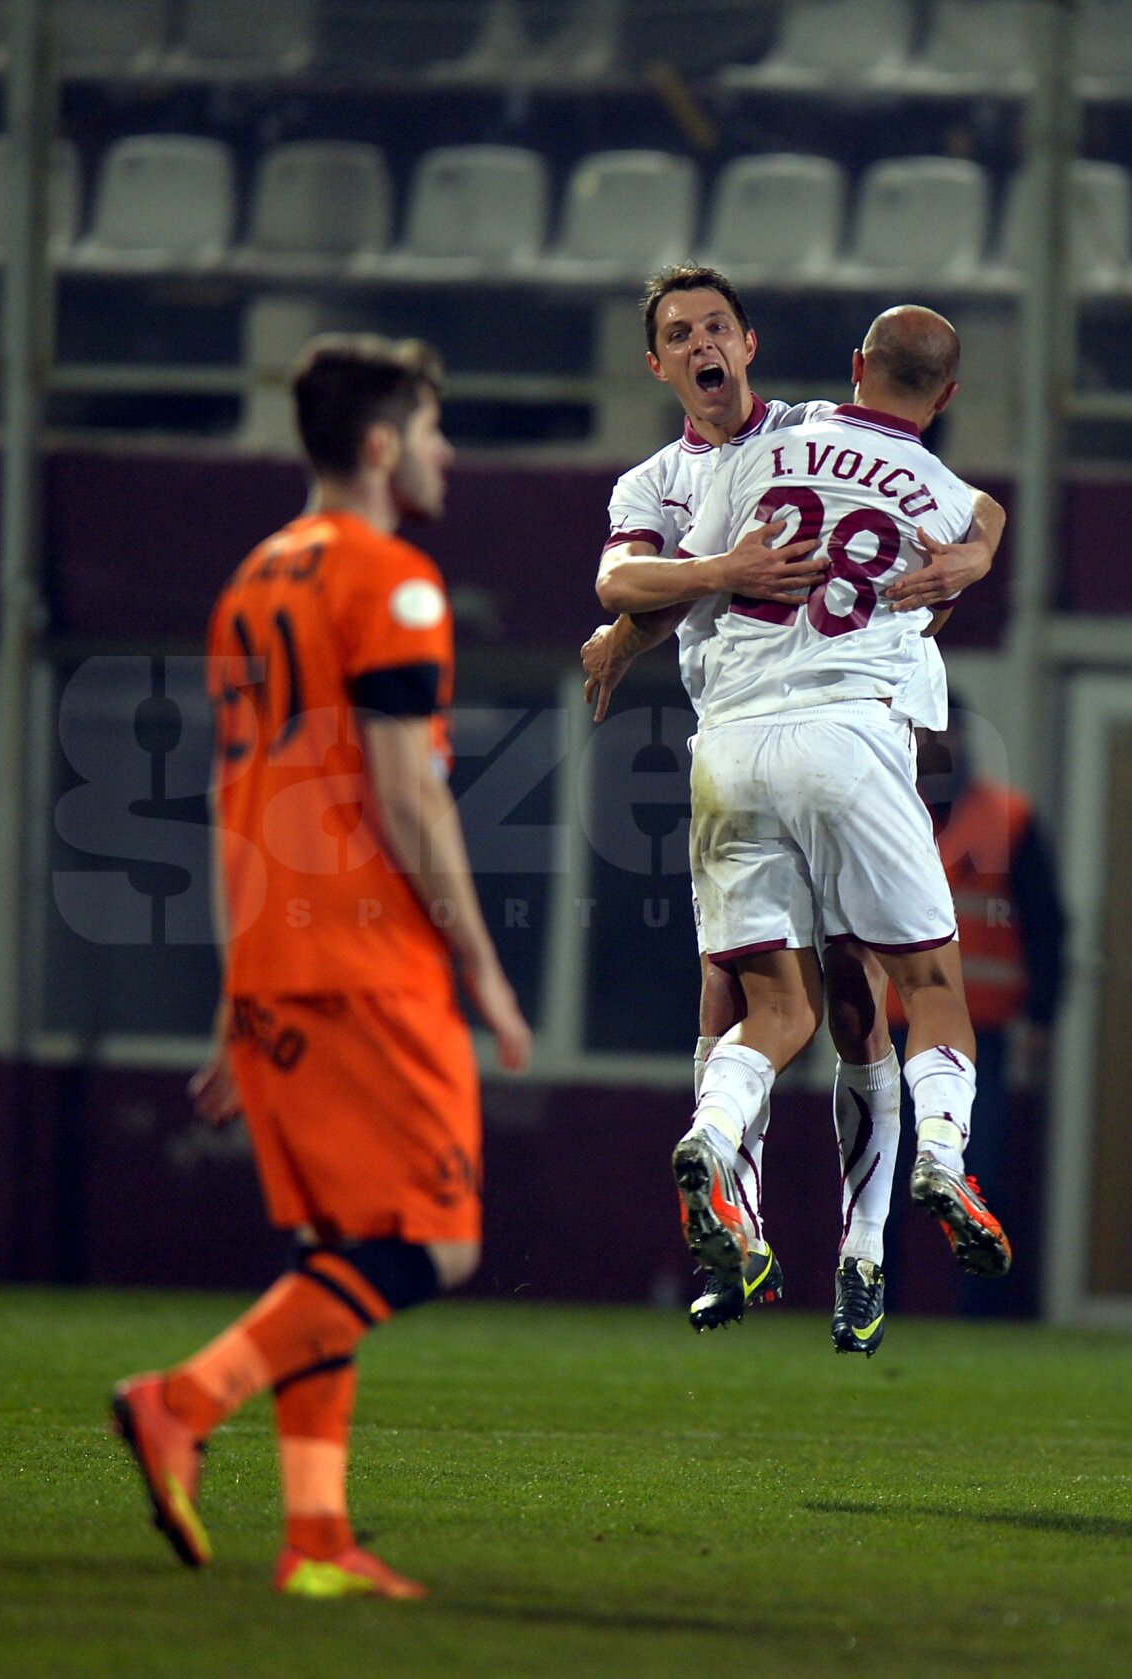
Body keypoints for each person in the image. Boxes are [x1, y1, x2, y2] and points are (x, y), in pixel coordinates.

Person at [111, 334, 531, 1600]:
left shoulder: (250, 580)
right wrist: (484, 973)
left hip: (274, 957)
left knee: (333, 1246)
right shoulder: (394, 579)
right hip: (367, 955)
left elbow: (246, 793)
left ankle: (314, 1534)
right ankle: (184, 1399)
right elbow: (407, 799)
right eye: (435, 427)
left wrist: (239, 1003)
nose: (448, 451)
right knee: (431, 1244)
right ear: (383, 442)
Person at [582, 264, 1005, 1352]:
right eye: (680, 334)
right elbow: (636, 583)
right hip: (821, 733)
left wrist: (978, 544)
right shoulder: (659, 481)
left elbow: (642, 593)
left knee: (840, 997)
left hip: (780, 741)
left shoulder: (794, 433)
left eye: (715, 324)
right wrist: (649, 614)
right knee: (759, 990)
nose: (702, 344)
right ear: (660, 362)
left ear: (749, 341)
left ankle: (858, 1251)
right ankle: (739, 1231)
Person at [890, 694, 1066, 1315]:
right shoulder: (880, 813)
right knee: (878, 1176)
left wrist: (1041, 1014)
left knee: (973, 1172)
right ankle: (870, 1302)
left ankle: (981, 1312)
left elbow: (1047, 927)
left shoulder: (1008, 820)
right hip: (889, 1028)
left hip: (976, 1035)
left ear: (963, 738)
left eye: (942, 733)